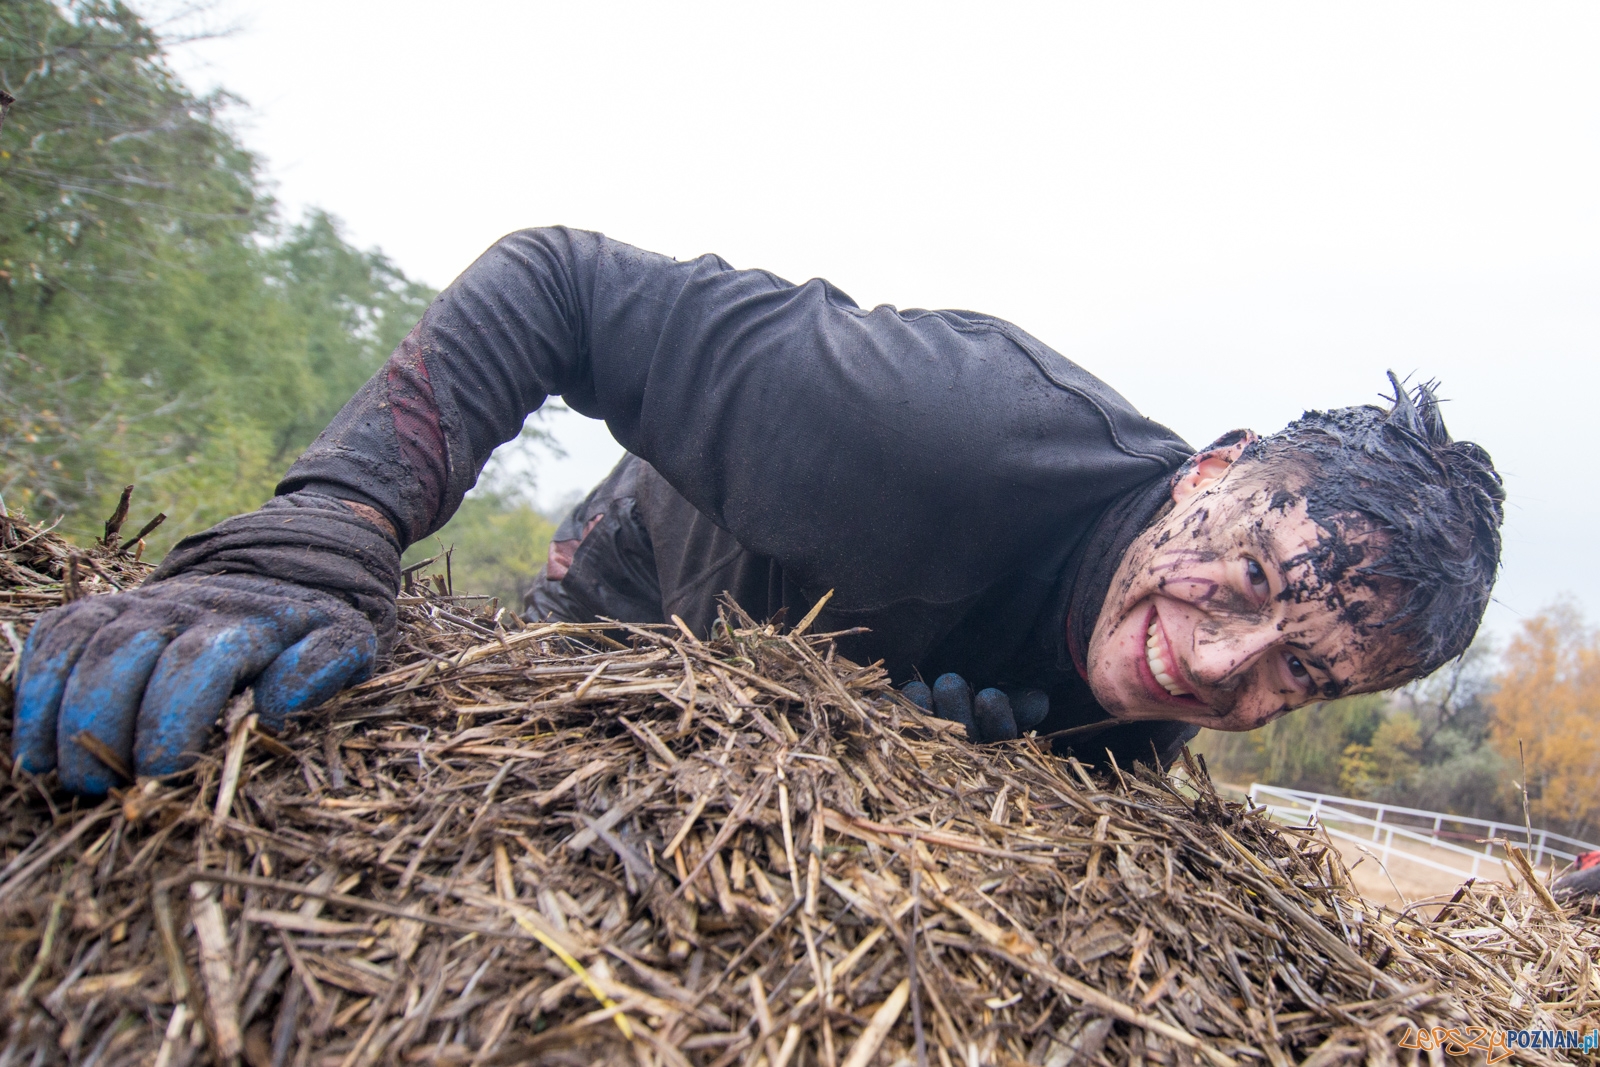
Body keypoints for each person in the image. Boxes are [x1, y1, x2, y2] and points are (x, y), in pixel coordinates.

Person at [11, 228, 1505, 796]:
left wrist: (995, 775)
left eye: (1300, 675)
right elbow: (560, 285)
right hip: (640, 599)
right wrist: (314, 533)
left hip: (808, 709)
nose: (1217, 666)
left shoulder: (1193, 686)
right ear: (1207, 470)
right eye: (1237, 582)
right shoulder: (937, 422)